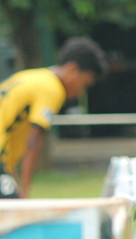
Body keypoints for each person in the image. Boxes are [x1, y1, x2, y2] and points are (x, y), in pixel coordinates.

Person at [0, 37, 108, 198]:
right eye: (85, 84)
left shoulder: (31, 77)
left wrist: (11, 174)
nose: (81, 92)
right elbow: (34, 141)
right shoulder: (52, 88)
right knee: (15, 208)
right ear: (72, 69)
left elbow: (10, 129)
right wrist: (25, 191)